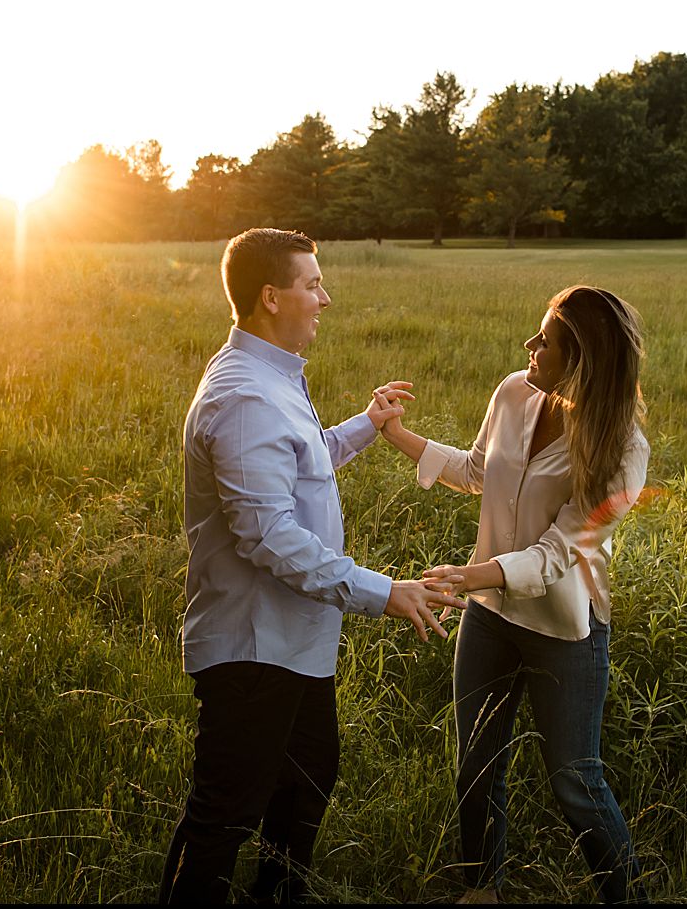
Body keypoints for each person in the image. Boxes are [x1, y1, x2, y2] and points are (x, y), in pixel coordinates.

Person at [159, 228, 466, 904]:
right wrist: (382, 590)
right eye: (312, 284)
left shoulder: (271, 378)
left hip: (293, 644)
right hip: (253, 648)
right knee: (224, 816)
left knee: (303, 787)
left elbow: (298, 464)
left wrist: (367, 423)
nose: (325, 298)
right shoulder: (244, 396)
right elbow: (268, 534)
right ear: (272, 297)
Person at [374, 285, 649, 904]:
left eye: (544, 341)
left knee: (575, 783)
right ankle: (481, 891)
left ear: (581, 358)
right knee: (475, 763)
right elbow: (476, 471)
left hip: (565, 631)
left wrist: (471, 576)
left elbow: (559, 553)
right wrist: (398, 436)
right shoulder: (513, 392)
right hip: (491, 618)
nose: (529, 346)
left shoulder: (623, 448)